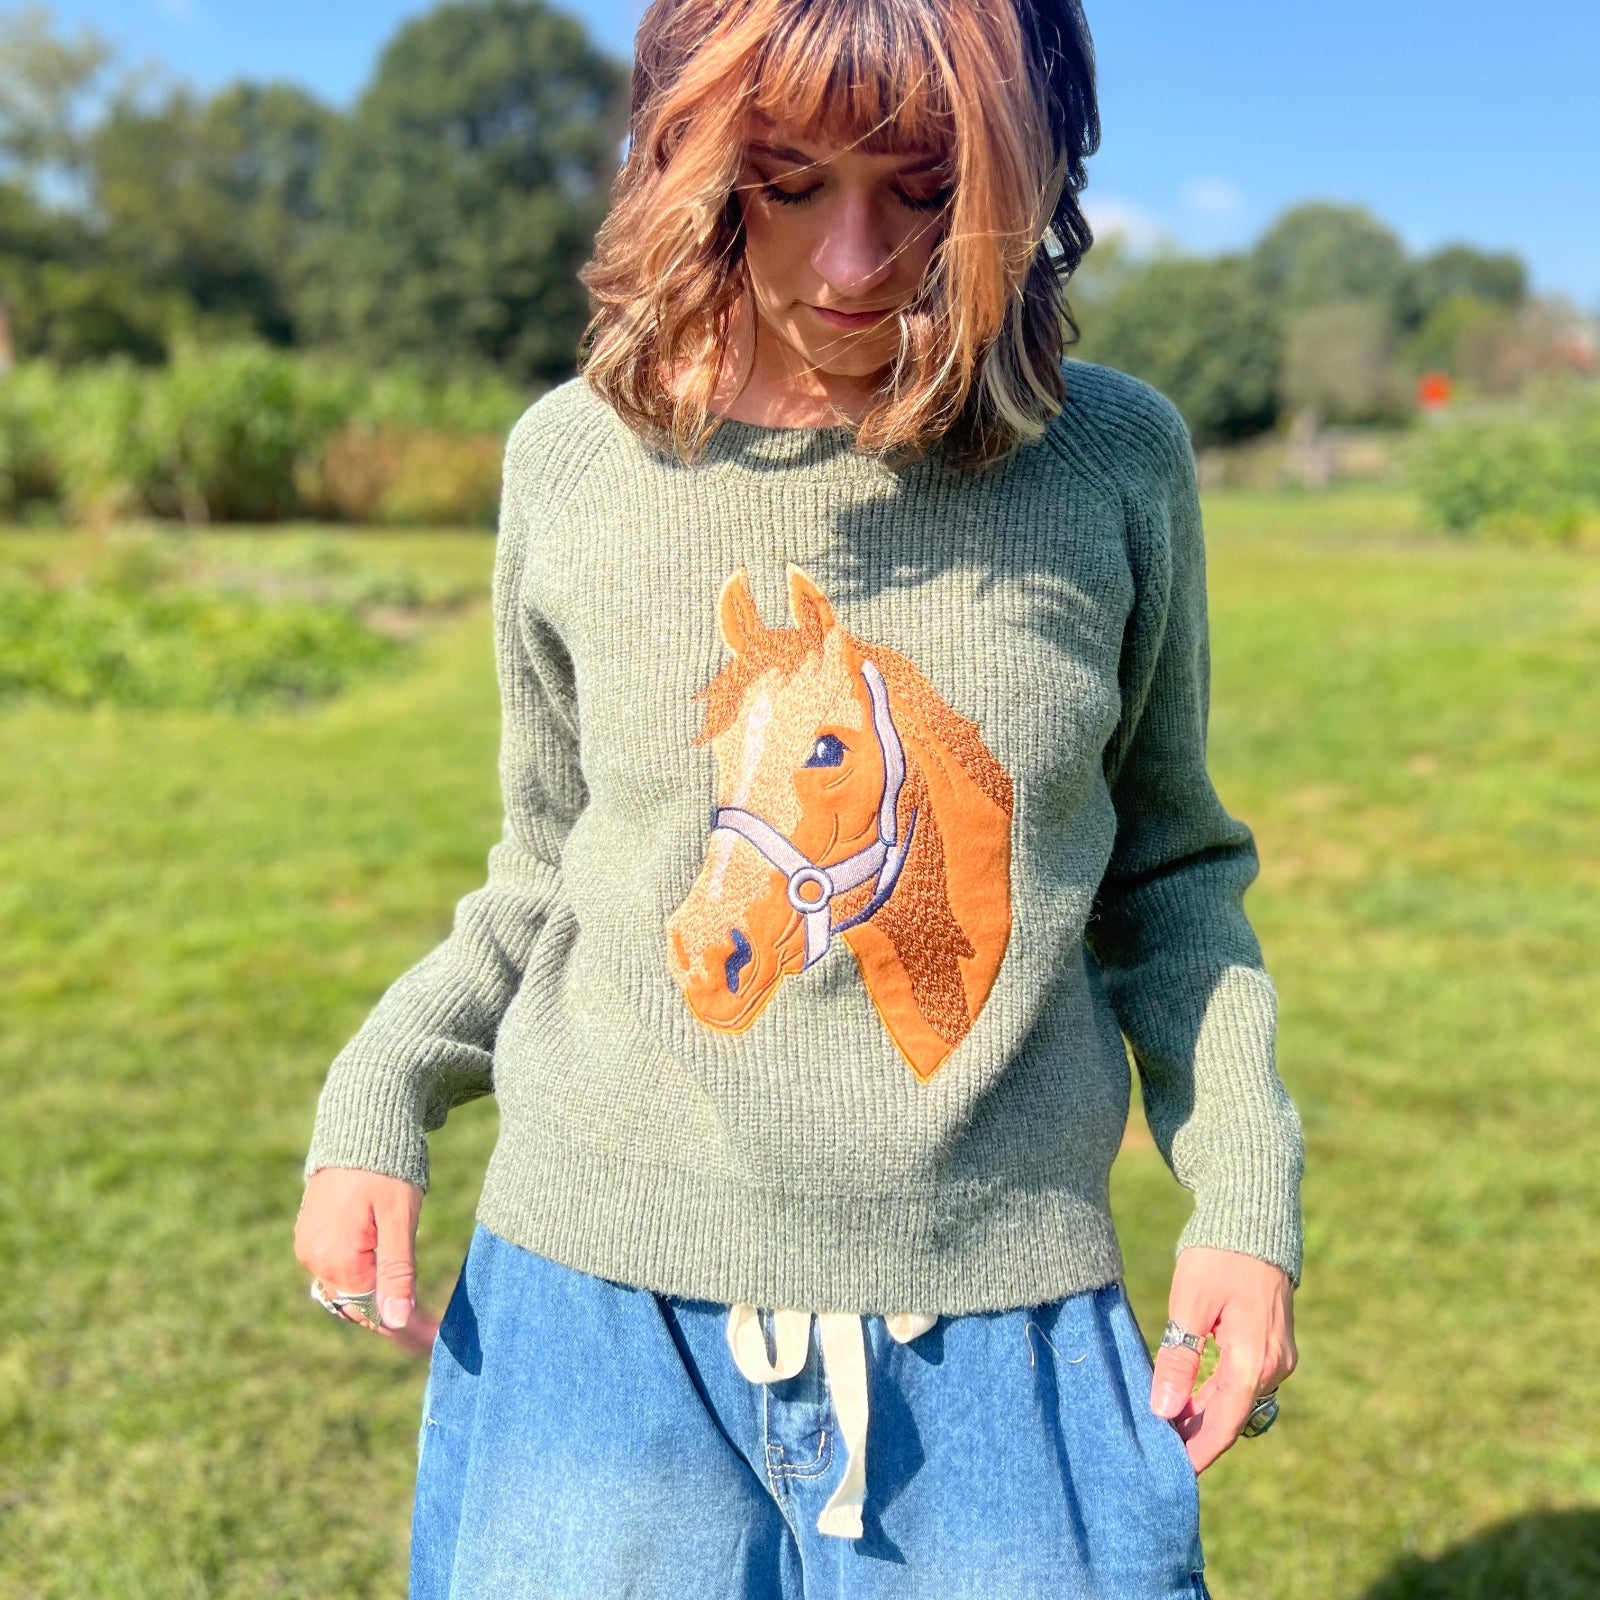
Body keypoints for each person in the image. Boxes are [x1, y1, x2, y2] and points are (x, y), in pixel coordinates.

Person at [293, 0, 1304, 1595]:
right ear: (690, 163)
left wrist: (1242, 1196)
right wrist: (381, 1087)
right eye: (787, 181)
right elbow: (549, 868)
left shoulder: (1110, 465)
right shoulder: (571, 465)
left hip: (1001, 1334)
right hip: (589, 1321)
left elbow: (1168, 876)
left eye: (922, 191)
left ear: (1026, 181)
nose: (852, 263)